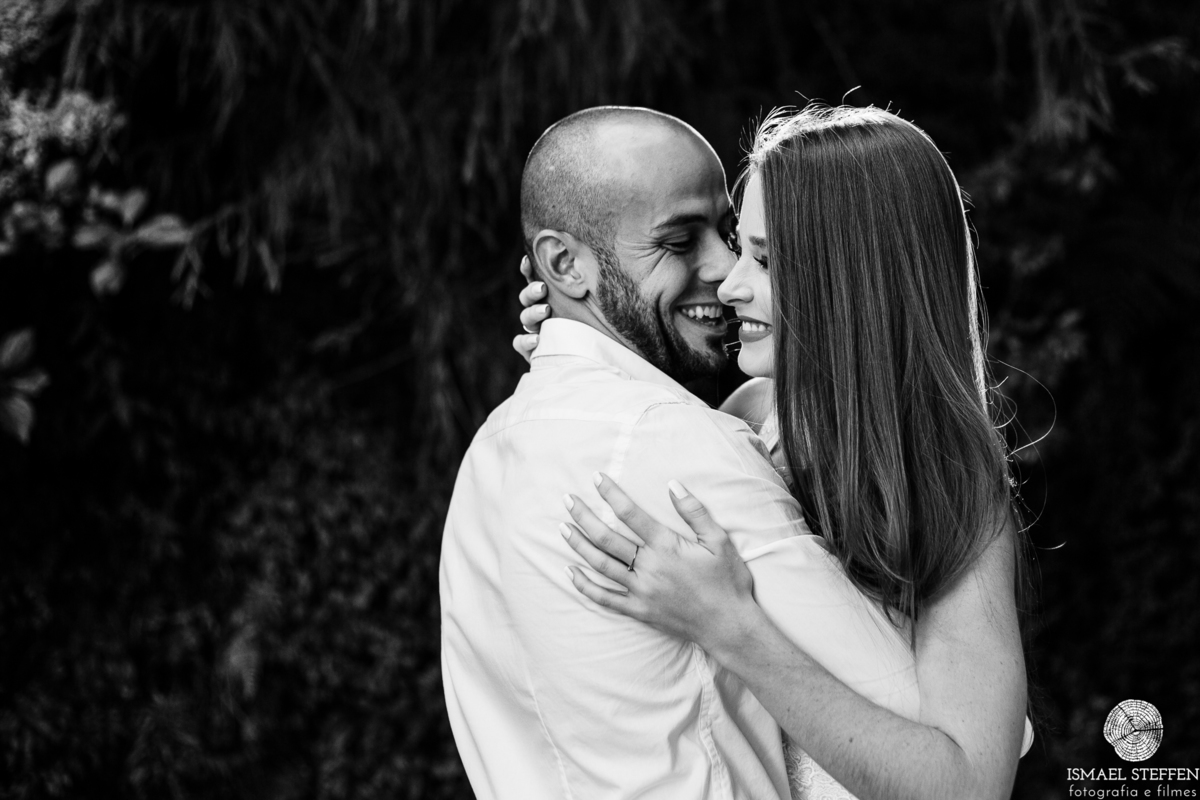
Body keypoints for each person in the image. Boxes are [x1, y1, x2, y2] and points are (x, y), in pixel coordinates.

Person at [513, 104, 1034, 800]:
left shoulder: (957, 490)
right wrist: (581, 337)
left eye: (764, 258)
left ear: (848, 278)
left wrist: (730, 628)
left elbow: (969, 786)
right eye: (740, 244)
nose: (728, 282)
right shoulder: (748, 420)